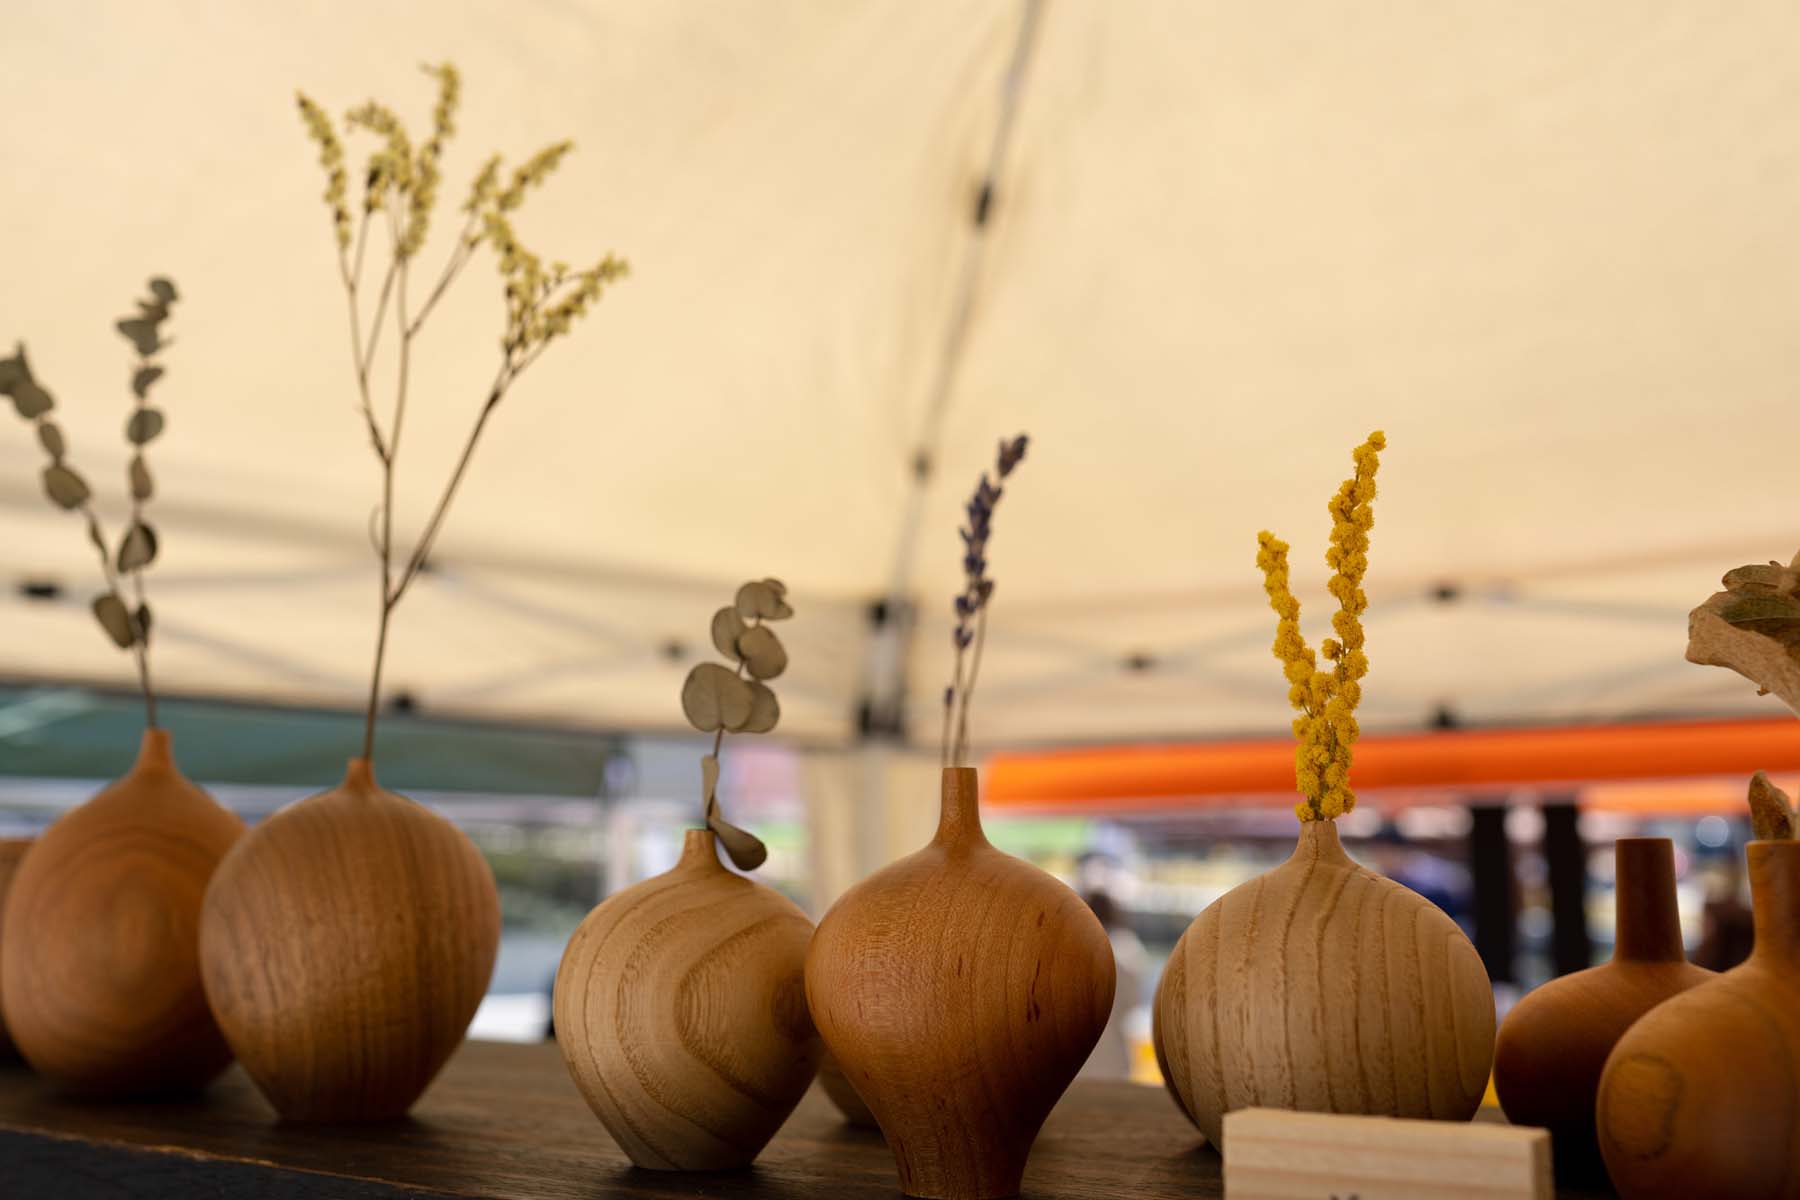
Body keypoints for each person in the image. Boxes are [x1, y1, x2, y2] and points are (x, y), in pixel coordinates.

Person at [1078, 889, 1146, 1080]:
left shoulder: (1069, 945)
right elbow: (1133, 1003)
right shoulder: (1127, 949)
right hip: (1115, 1061)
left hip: (1075, 1064)